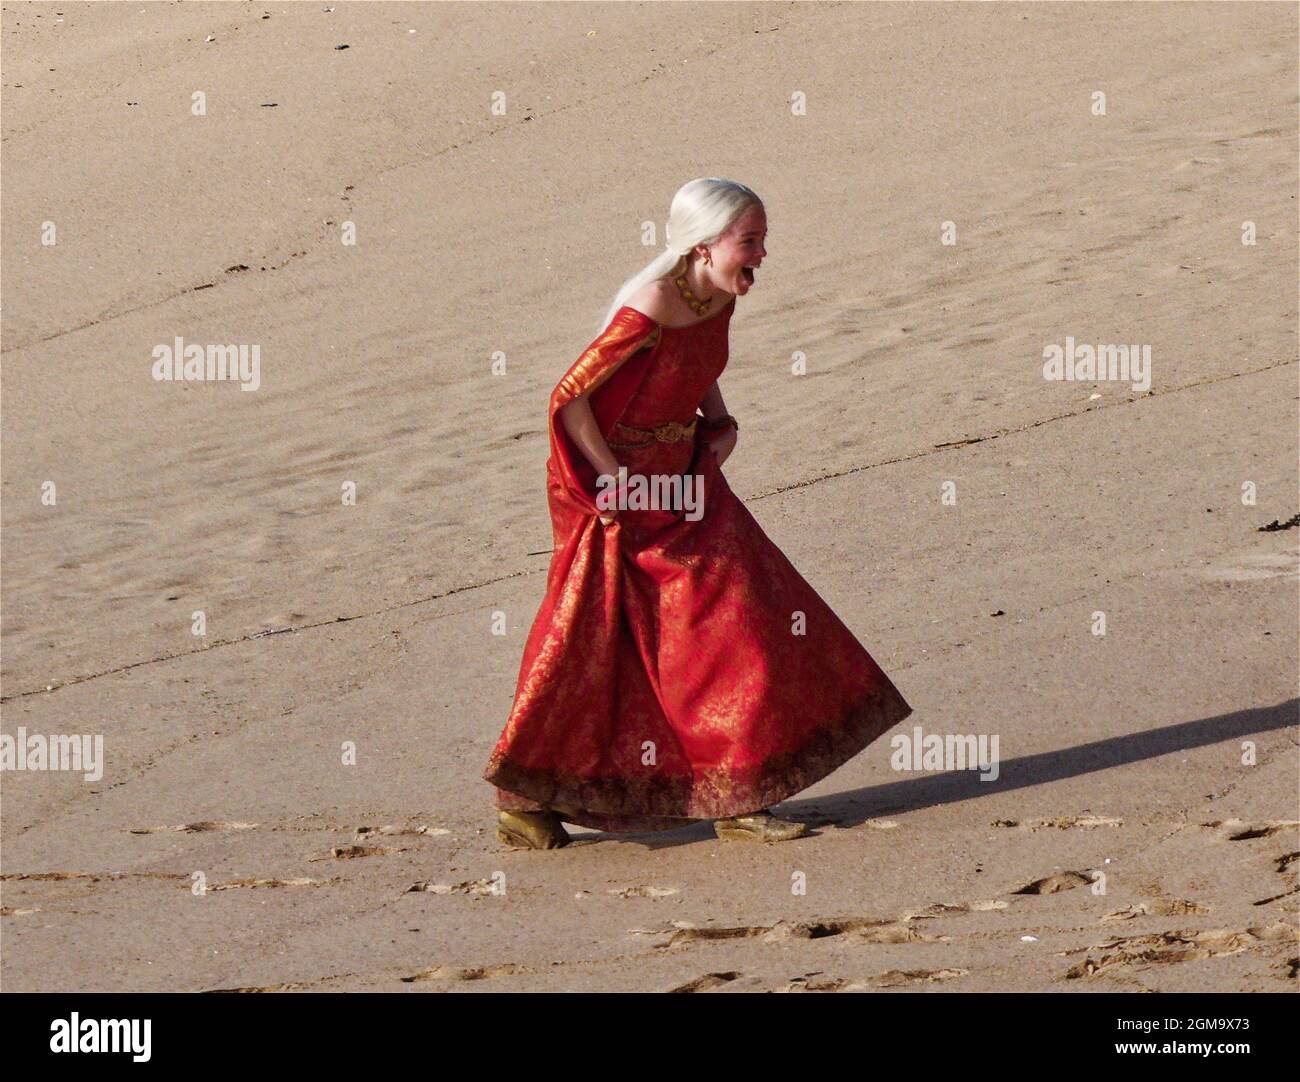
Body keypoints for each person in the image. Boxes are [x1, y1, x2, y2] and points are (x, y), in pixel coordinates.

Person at [483, 177, 913, 848]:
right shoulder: (650, 305)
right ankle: (527, 797)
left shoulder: (714, 295)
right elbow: (569, 400)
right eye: (750, 241)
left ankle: (739, 793)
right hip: (620, 494)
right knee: (592, 639)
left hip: (686, 481)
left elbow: (698, 363)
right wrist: (616, 480)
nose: (762, 254)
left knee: (744, 611)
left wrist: (719, 420)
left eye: (763, 240)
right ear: (702, 245)